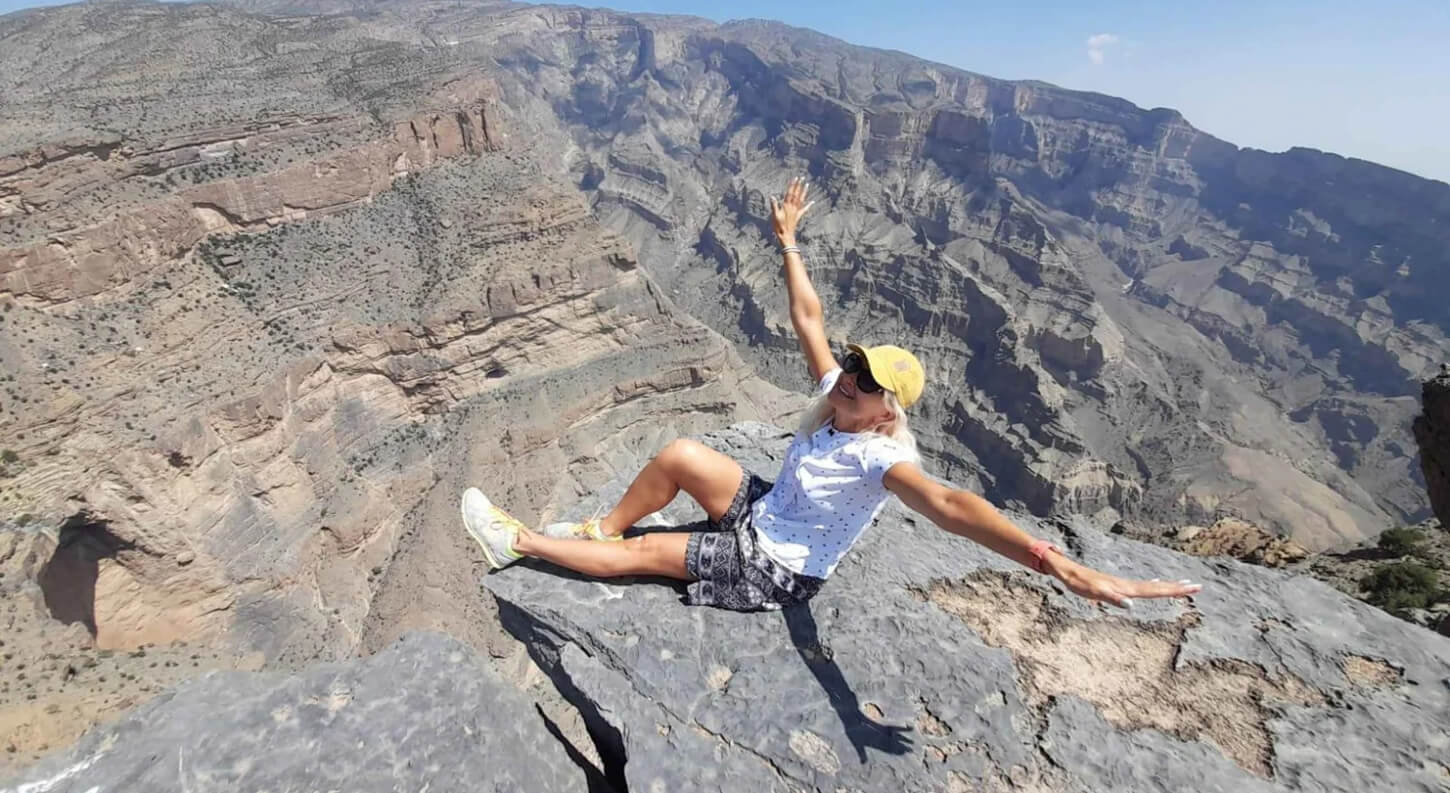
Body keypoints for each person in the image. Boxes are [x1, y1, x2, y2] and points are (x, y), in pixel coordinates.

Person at [462, 177, 1202, 611]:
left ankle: (516, 543)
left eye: (868, 380)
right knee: (683, 454)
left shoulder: (880, 457)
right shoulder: (839, 398)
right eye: (856, 366)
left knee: (654, 553)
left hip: (776, 566)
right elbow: (807, 318)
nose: (851, 377)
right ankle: (601, 528)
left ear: (890, 408)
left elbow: (949, 507)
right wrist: (786, 239)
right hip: (765, 512)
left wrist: (1052, 560)